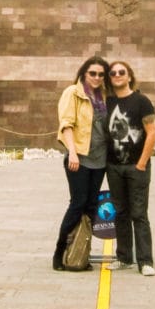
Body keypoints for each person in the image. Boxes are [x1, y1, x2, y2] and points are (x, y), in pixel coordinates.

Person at [52, 56, 110, 271]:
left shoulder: (105, 96)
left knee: (90, 206)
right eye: (92, 73)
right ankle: (59, 251)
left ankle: (80, 252)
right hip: (80, 158)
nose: (96, 77)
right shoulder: (73, 93)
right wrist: (73, 153)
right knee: (77, 204)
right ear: (84, 73)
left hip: (100, 159)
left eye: (101, 74)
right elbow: (66, 124)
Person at [105, 60, 155, 276]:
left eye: (121, 72)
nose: (117, 75)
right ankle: (124, 257)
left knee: (139, 214)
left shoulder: (141, 101)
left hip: (137, 166)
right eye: (113, 73)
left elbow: (152, 133)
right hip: (114, 167)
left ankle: (145, 261)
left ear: (129, 76)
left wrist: (142, 163)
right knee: (120, 212)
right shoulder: (107, 103)